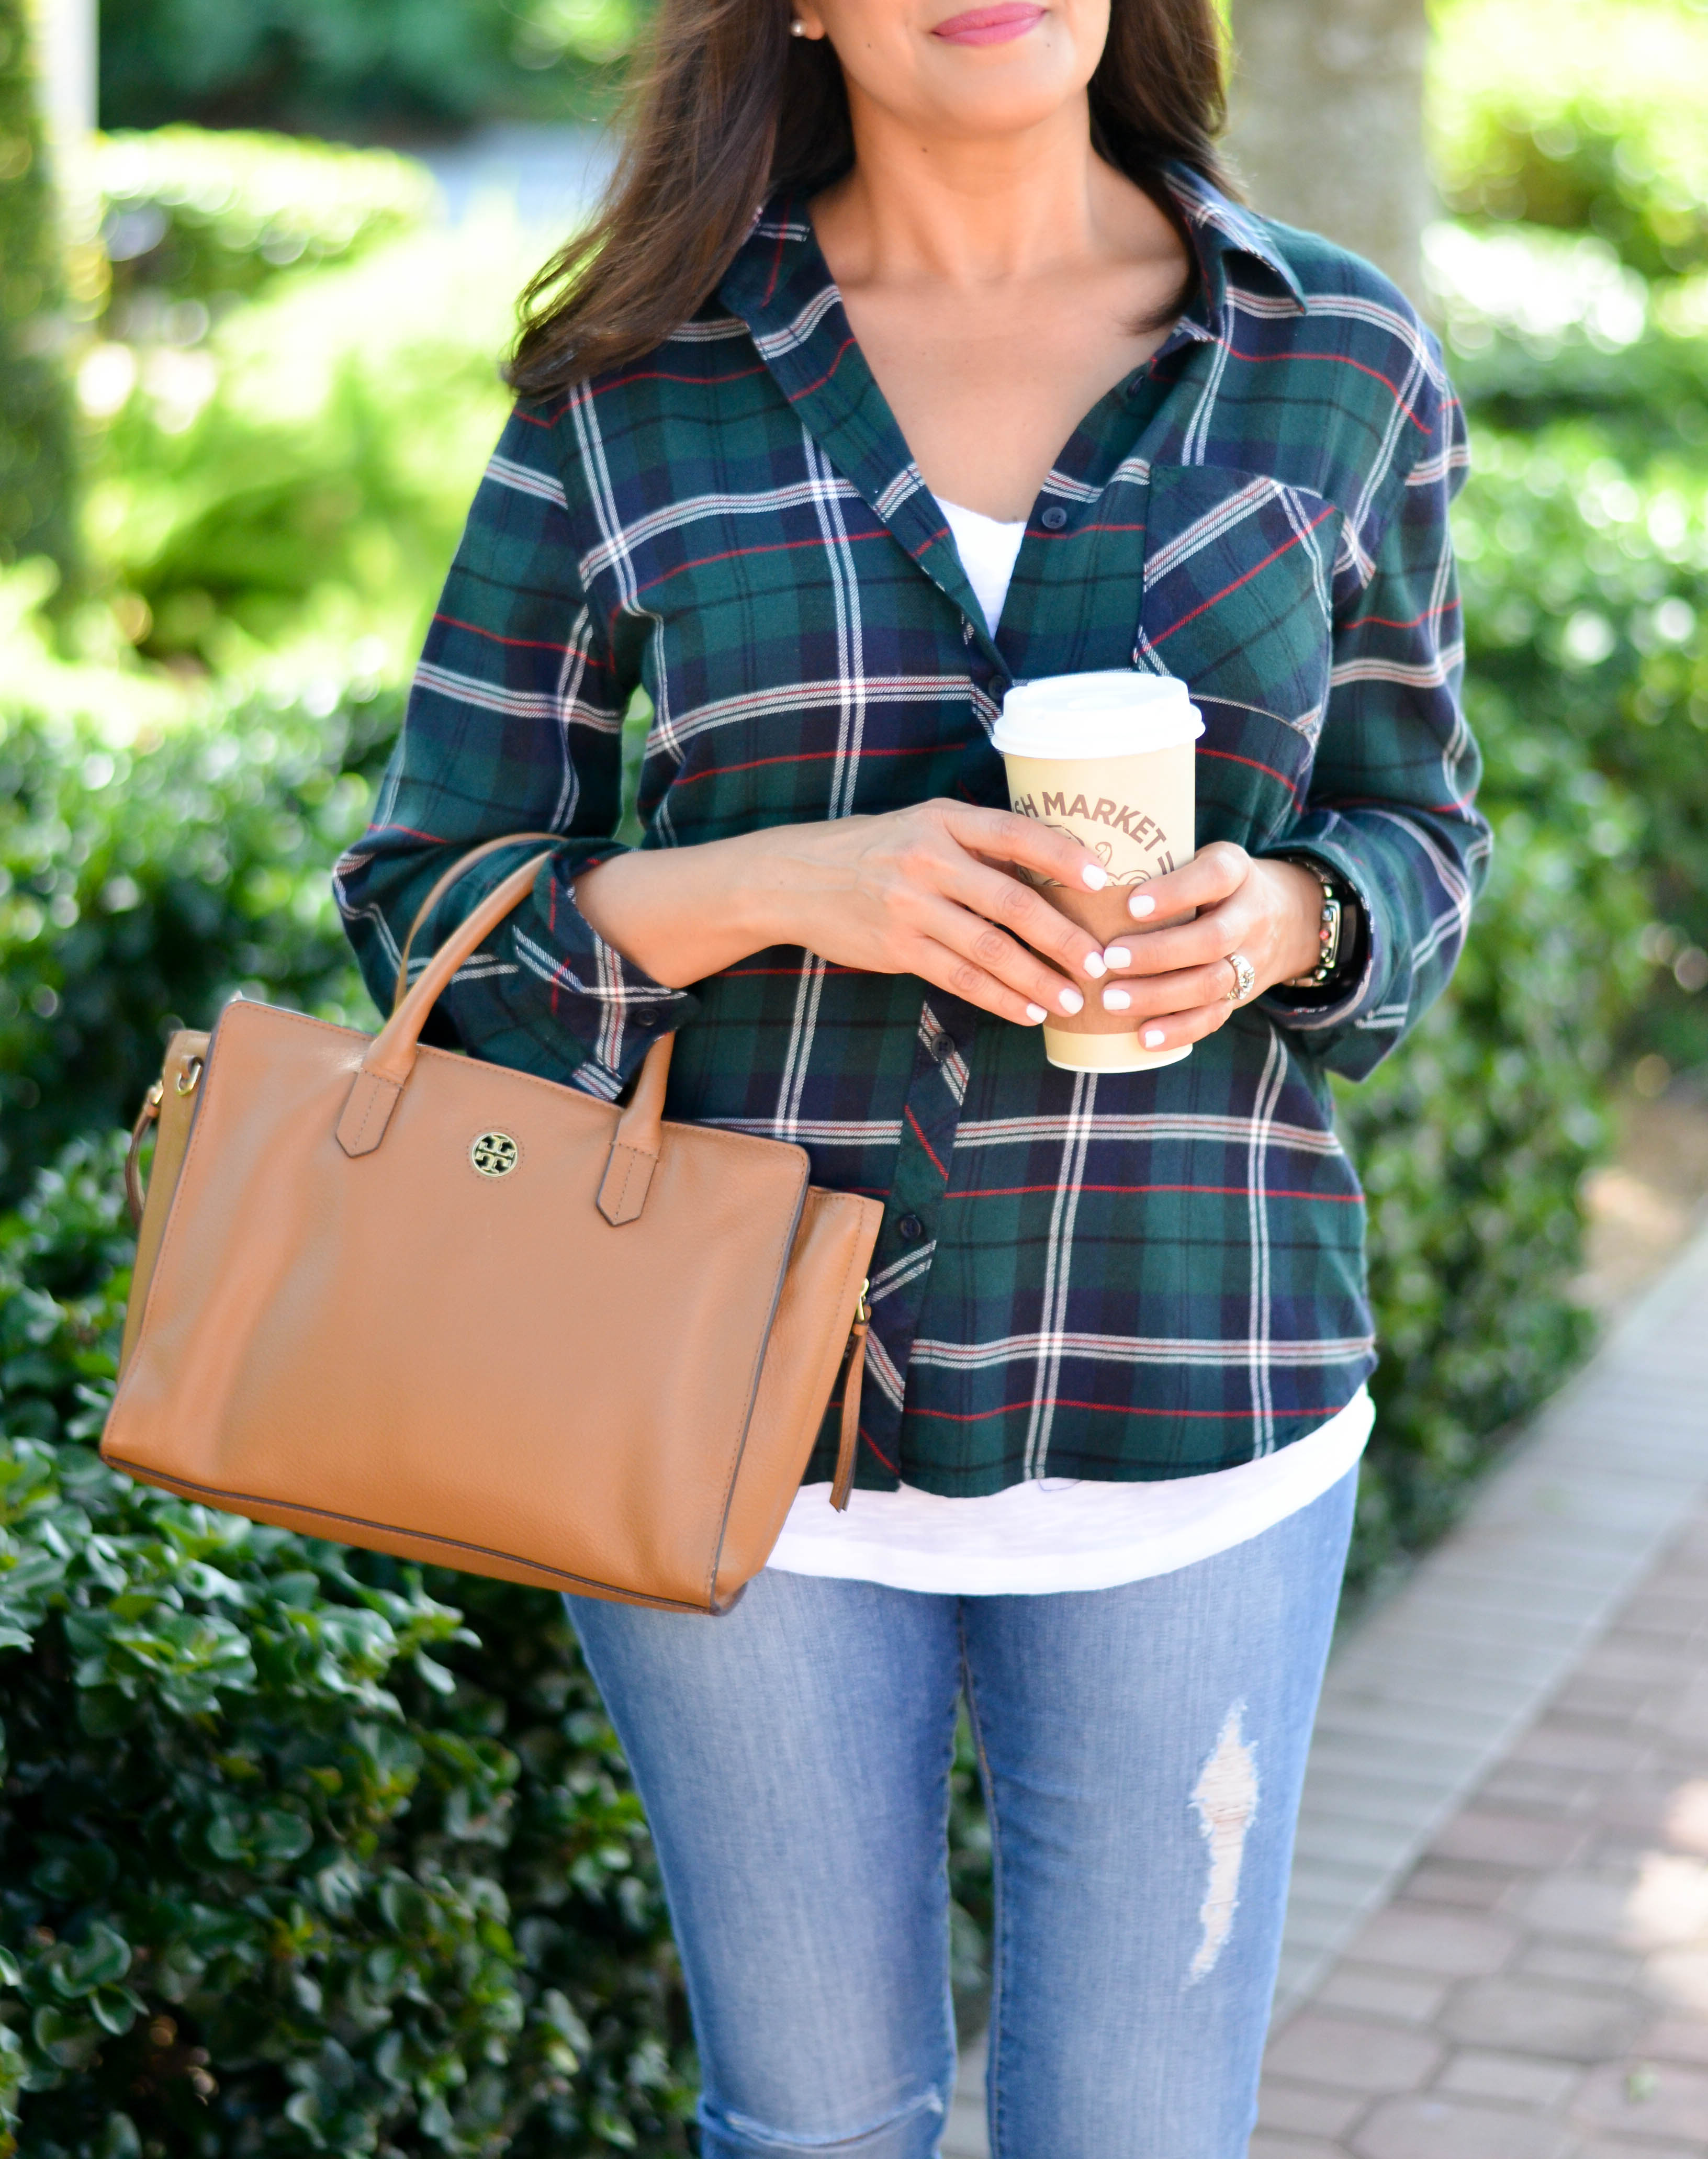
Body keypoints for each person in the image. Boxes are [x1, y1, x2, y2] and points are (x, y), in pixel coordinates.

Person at [338, 0, 1487, 2147]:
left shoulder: (1338, 357)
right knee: (812, 2130)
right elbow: (426, 897)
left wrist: (1295, 918)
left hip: (1197, 1381)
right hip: (725, 1422)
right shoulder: (630, 382)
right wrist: (779, 880)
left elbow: (1423, 825)